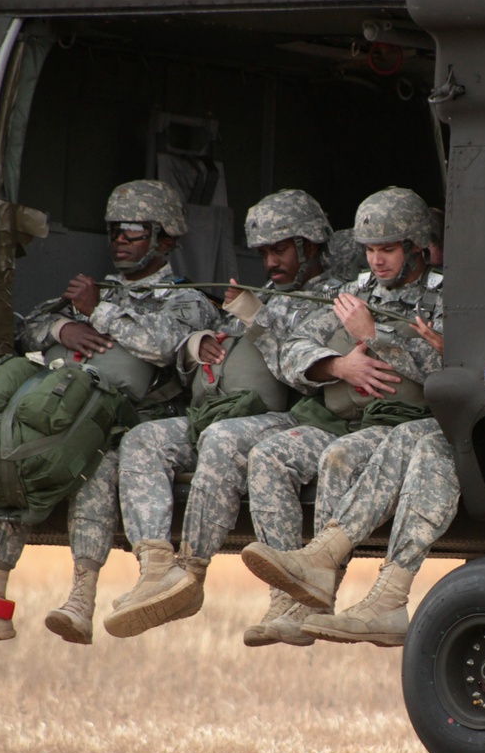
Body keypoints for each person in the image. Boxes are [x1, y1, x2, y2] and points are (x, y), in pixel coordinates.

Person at [0, 179, 218, 645]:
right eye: (114, 230)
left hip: (131, 420)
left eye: (133, 230)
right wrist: (65, 326)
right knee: (7, 450)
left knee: (95, 462)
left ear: (165, 239)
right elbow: (28, 330)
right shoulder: (96, 291)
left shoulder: (186, 301)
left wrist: (100, 312)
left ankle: (81, 598)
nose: (120, 241)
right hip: (58, 415)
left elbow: (164, 344)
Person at [103, 189, 340, 638]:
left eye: (280, 249)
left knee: (222, 439)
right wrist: (200, 348)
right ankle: (157, 570)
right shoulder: (260, 294)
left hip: (294, 418)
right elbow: (214, 347)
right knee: (144, 439)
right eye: (264, 252)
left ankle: (194, 572)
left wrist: (256, 319)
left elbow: (305, 371)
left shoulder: (331, 299)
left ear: (308, 246)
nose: (270, 261)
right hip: (225, 410)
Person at [237, 186, 444, 645]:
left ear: (416, 248)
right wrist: (338, 365)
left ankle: (320, 584)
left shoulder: (446, 299)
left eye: (387, 249)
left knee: (338, 457)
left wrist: (375, 337)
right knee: (270, 454)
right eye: (370, 250)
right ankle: (290, 601)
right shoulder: (353, 294)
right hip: (347, 418)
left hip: (401, 425)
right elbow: (291, 347)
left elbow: (453, 372)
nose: (377, 261)